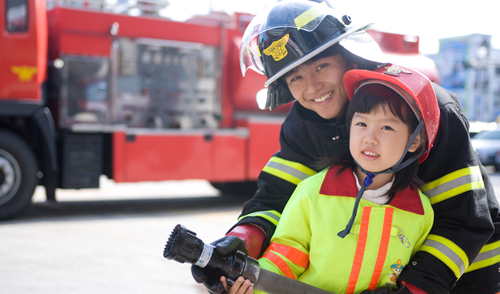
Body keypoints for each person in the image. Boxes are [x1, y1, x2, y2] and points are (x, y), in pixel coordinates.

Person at [192, 1, 500, 293]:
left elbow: (465, 220)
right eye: (295, 77)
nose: (311, 88)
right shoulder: (304, 123)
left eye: (321, 66)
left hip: (464, 274)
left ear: (349, 57)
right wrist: (243, 238)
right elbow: (277, 196)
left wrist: (414, 288)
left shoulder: (422, 108)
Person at [223, 64, 438, 294]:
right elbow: (284, 258)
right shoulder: (313, 193)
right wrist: (250, 285)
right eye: (361, 124)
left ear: (414, 141)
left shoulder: (421, 213)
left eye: (386, 127)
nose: (370, 139)